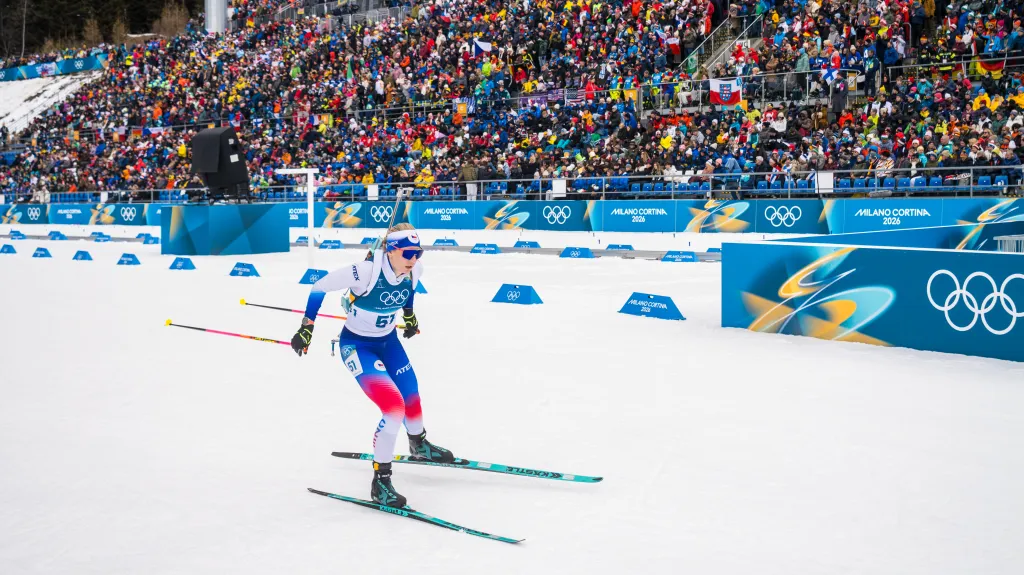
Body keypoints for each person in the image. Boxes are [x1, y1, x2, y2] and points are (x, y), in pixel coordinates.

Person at [290, 223, 453, 508]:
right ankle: (381, 482)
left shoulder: (415, 270)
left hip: (388, 342)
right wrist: (307, 327)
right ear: (391, 250)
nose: (414, 258)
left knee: (411, 393)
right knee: (393, 409)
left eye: (419, 252)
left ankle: (419, 444)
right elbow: (319, 286)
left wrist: (410, 317)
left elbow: (409, 292)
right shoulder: (365, 271)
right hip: (357, 345)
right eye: (409, 252)